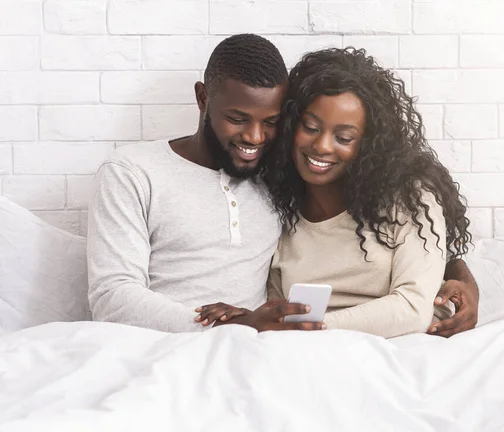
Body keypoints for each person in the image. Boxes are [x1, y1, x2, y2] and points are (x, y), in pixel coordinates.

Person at [87, 34, 478, 336]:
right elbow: (112, 296)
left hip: (268, 348)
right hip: (181, 344)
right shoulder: (134, 172)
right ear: (202, 98)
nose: (255, 137)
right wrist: (236, 327)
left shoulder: (270, 182)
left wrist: (460, 274)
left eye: (270, 122)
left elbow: (409, 263)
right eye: (238, 118)